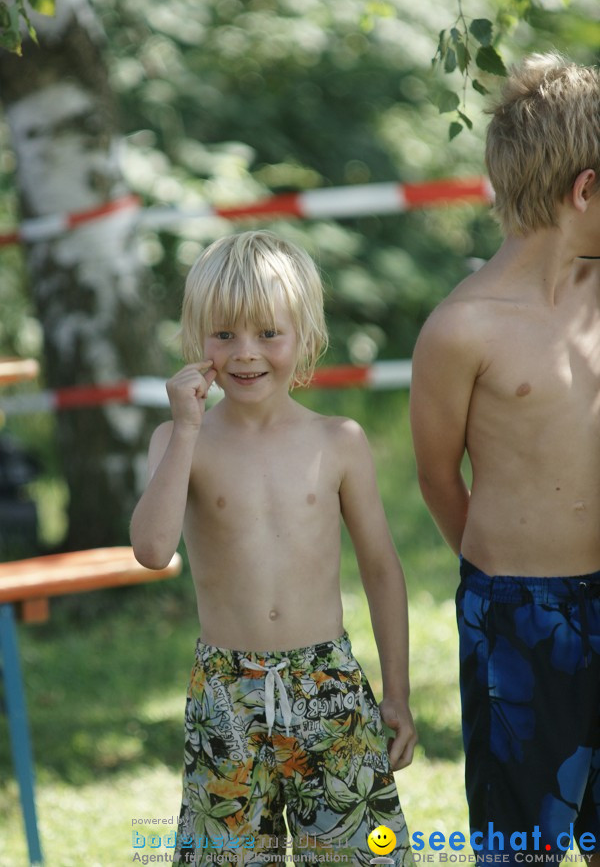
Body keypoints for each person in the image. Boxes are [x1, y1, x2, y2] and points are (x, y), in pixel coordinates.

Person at [130, 230, 416, 866]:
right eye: (224, 334)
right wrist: (184, 428)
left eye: (267, 333)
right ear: (196, 340)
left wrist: (394, 691)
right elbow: (151, 550)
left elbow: (381, 568)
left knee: (359, 857)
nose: (245, 353)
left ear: (306, 335)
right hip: (225, 692)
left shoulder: (338, 440)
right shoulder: (181, 442)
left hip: (329, 685)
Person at [409, 52, 600, 865]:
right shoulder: (462, 329)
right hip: (516, 617)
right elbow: (436, 478)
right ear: (585, 191)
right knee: (522, 846)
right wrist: (501, 583)